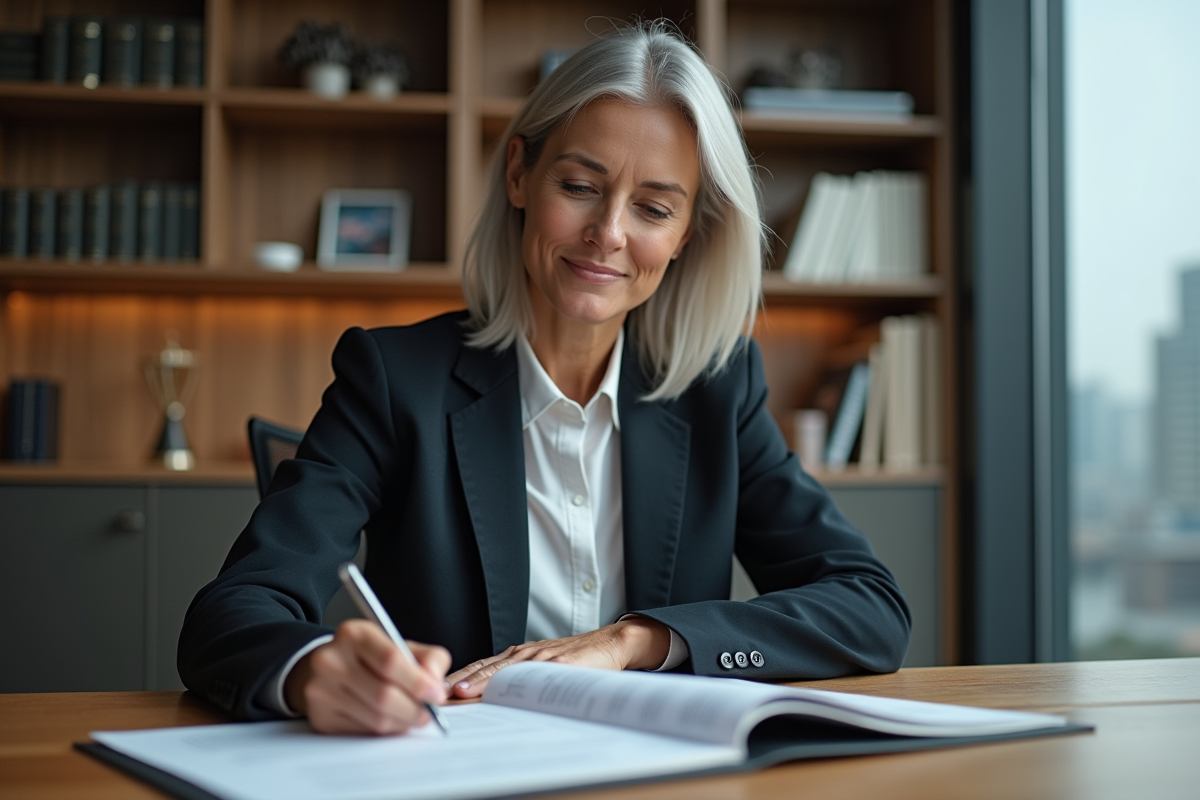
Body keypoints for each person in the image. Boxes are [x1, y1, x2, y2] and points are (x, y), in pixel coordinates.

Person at [179, 22, 910, 736]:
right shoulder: (395, 378)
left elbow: (869, 608)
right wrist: (315, 670)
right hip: (456, 774)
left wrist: (636, 641)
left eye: (653, 208)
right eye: (581, 185)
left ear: (688, 233)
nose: (609, 234)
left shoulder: (718, 390)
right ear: (521, 173)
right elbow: (234, 612)